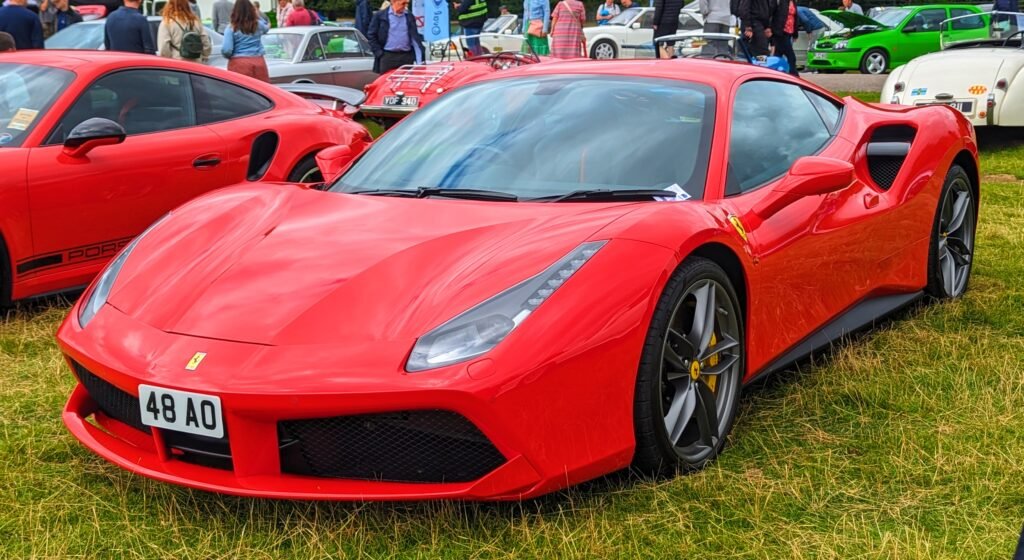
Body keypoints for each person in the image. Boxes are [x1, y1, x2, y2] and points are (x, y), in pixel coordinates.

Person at [366, 0, 423, 72]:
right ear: (393, 1)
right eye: (403, 3)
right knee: (387, 79)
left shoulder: (409, 16)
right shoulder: (380, 16)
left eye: (407, 3)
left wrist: (419, 60)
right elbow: (371, 35)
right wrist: (379, 53)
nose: (405, 6)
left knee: (405, 79)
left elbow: (415, 38)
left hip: (406, 57)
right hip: (388, 57)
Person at [222, 0, 270, 79]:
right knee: (259, 86)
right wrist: (257, 15)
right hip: (258, 61)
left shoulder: (231, 28)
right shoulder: (257, 25)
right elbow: (266, 27)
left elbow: (226, 50)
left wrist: (230, 57)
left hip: (239, 63)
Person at [771, 0, 797, 75]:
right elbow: (774, 15)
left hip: (790, 32)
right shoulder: (781, 1)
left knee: (778, 54)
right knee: (791, 56)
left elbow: (795, 18)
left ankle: (774, 73)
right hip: (781, 32)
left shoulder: (793, 2)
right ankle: (794, 74)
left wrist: (795, 33)